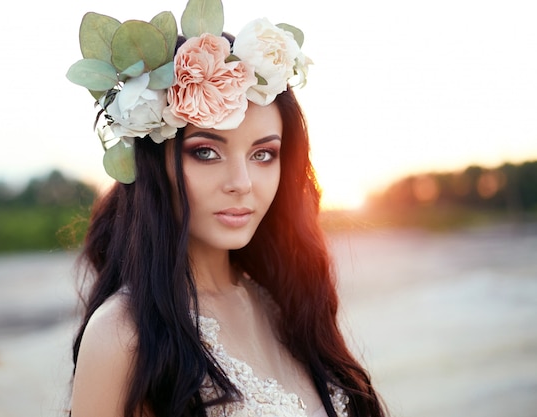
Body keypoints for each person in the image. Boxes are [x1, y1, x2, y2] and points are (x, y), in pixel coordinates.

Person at [66, 0, 387, 416]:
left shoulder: (283, 303)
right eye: (206, 152)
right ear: (154, 165)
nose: (242, 184)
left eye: (263, 155)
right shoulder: (122, 334)